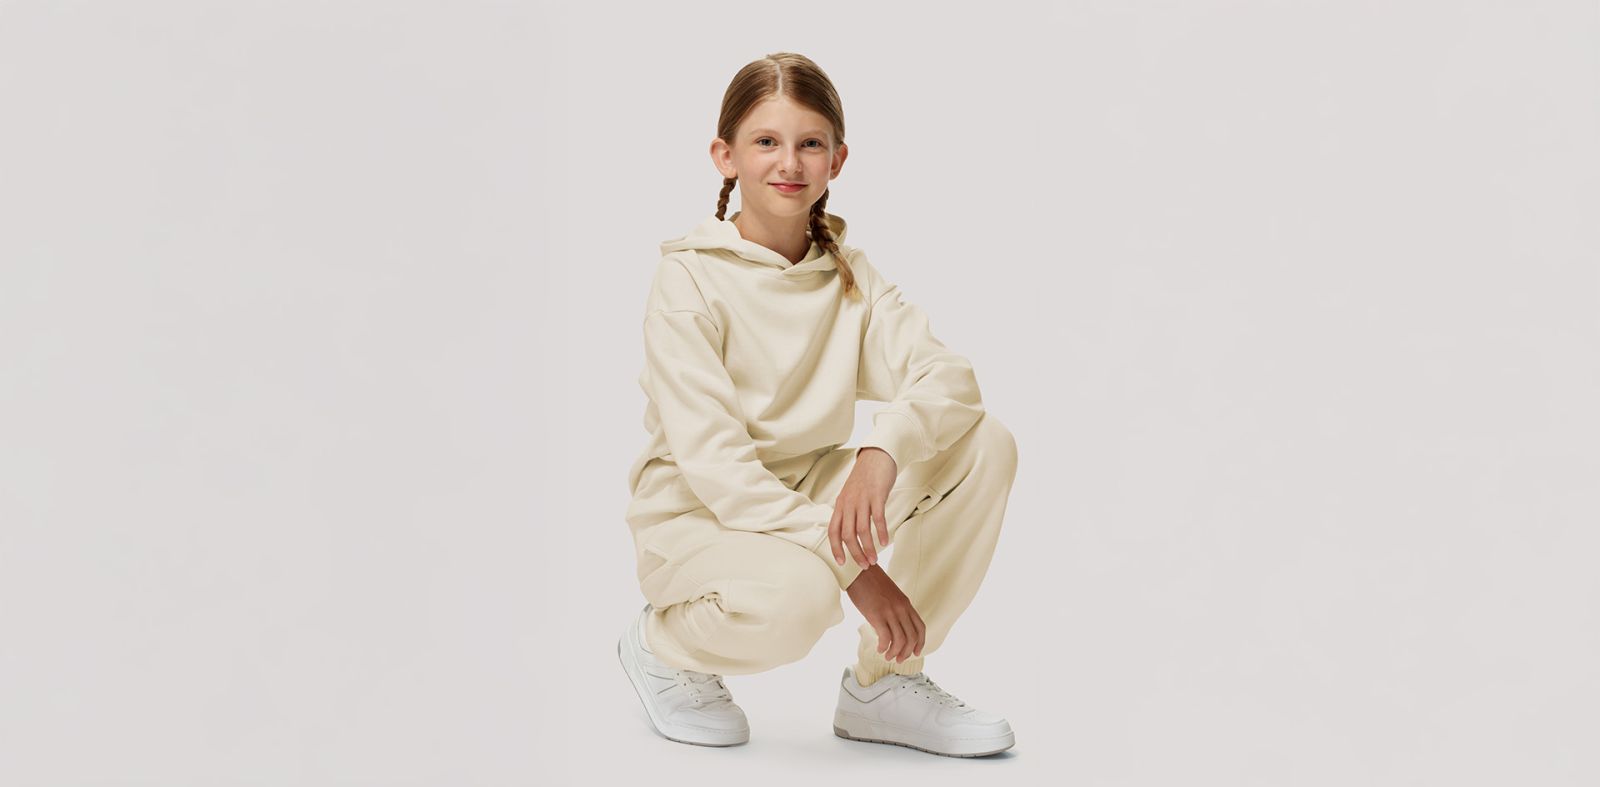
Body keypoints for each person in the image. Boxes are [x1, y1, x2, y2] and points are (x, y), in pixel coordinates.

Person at [616, 52, 1019, 758]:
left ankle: (885, 682)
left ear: (837, 159)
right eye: (765, 141)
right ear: (725, 156)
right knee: (801, 598)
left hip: (804, 489)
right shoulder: (688, 279)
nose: (789, 162)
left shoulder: (847, 273)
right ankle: (664, 645)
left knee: (984, 444)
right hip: (697, 514)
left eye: (809, 143)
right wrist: (861, 573)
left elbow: (948, 377)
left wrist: (883, 449)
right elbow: (719, 469)